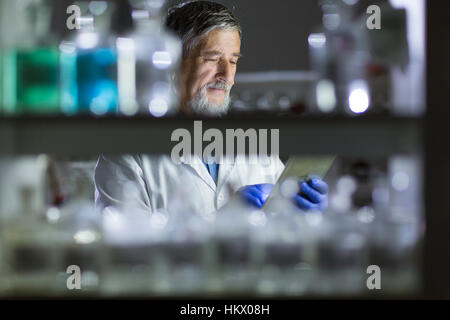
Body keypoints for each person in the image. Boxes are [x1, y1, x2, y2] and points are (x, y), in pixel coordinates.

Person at [94, 0, 328, 215]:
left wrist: (304, 211)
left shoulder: (253, 145)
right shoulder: (127, 152)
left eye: (233, 61)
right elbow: (122, 251)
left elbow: (284, 236)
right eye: (212, 58)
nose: (226, 75)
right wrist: (222, 223)